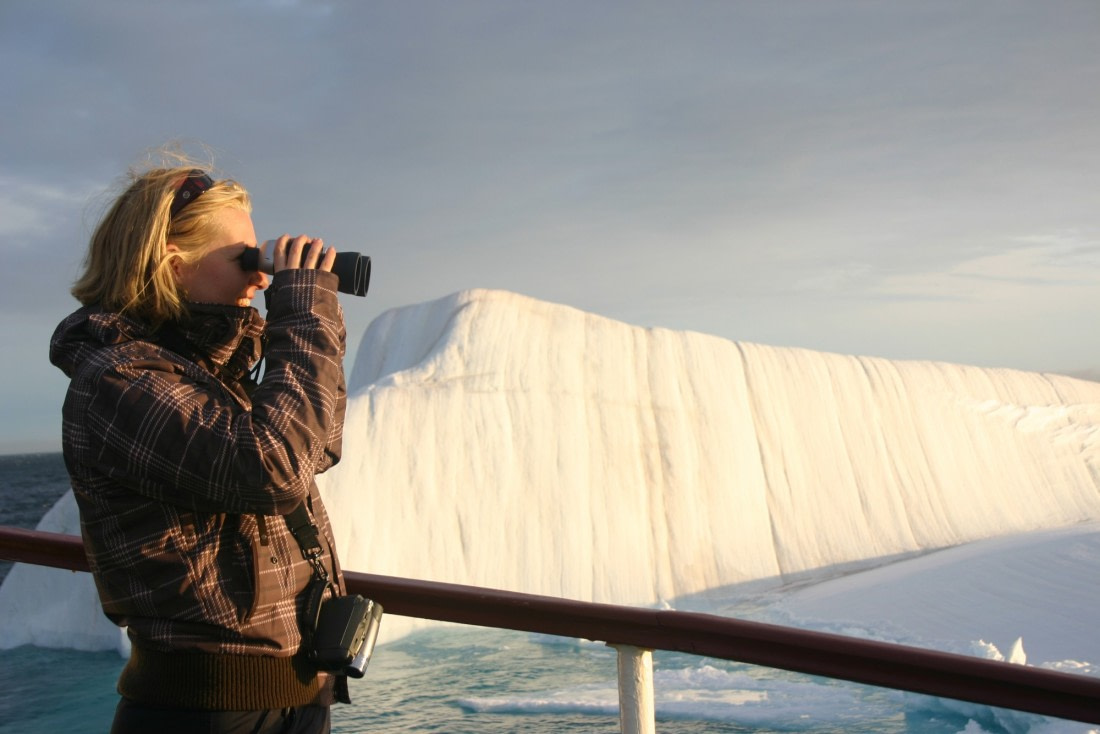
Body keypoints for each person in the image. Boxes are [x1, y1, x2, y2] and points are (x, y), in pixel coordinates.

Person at [49, 157, 350, 734]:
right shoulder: (119, 381)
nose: (261, 278)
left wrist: (310, 318)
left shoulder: (210, 375)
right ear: (172, 264)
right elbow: (273, 469)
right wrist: (303, 315)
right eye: (245, 260)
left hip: (292, 697)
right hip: (205, 711)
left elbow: (318, 447)